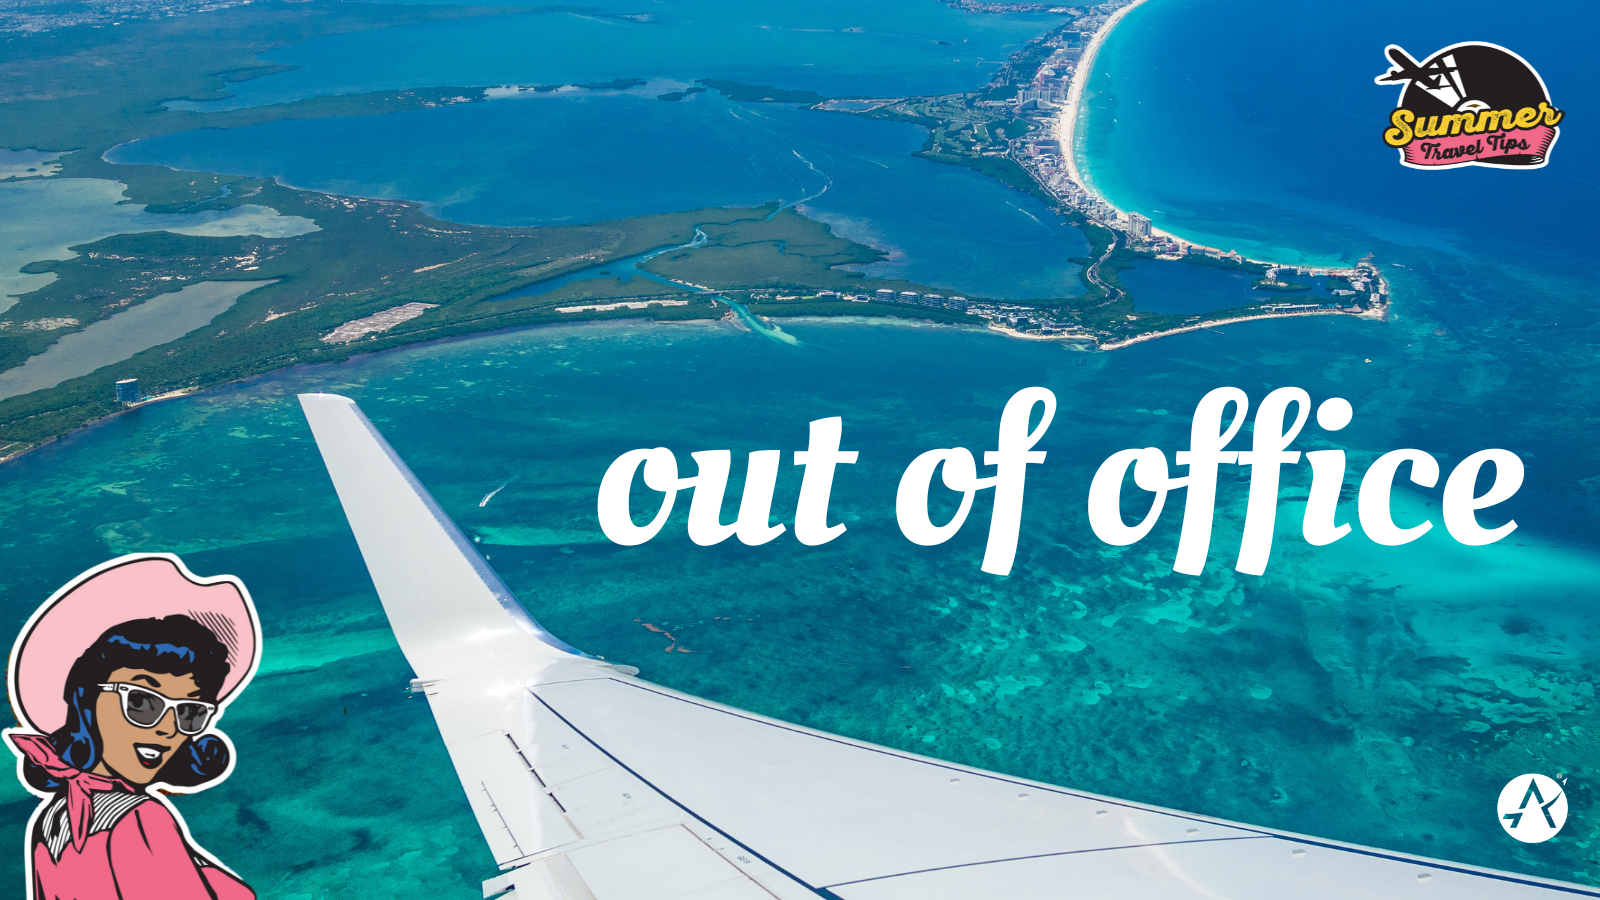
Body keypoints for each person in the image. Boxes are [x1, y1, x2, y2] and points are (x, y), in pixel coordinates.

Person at [5, 555, 261, 900]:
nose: (168, 730)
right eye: (141, 702)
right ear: (86, 699)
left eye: (188, 712)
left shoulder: (52, 819)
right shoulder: (140, 818)